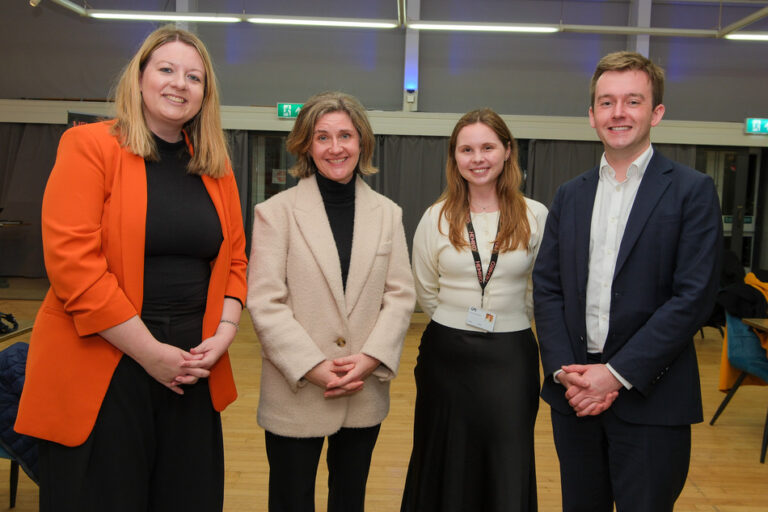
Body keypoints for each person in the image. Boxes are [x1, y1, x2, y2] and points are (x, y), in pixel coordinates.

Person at [15, 25, 247, 511]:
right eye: (166, 69)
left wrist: (224, 333)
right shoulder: (89, 147)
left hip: (190, 371)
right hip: (106, 365)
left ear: (206, 94)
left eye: (194, 77)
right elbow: (74, 267)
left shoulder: (215, 165)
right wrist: (149, 353)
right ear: (139, 78)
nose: (179, 84)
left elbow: (235, 261)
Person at [532, 51, 722, 512]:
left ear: (656, 113)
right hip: (575, 396)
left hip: (652, 397)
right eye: (607, 102)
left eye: (633, 101)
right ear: (591, 116)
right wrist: (564, 372)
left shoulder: (691, 191)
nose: (619, 113)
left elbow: (692, 298)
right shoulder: (570, 194)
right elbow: (549, 287)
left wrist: (614, 376)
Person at [247, 91, 415, 512]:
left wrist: (371, 358)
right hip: (296, 387)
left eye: (346, 135)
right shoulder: (275, 213)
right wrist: (312, 366)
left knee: (350, 500)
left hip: (362, 387)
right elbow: (266, 301)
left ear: (362, 143)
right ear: (306, 144)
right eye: (322, 137)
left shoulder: (388, 214)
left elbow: (400, 295)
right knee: (291, 499)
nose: (336, 148)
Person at [402, 108, 548, 512]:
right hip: (446, 354)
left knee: (507, 457)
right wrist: (457, 319)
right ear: (455, 158)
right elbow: (425, 289)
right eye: (466, 149)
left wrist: (506, 318)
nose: (478, 158)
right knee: (444, 454)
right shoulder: (436, 217)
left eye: (487, 147)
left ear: (507, 152)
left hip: (510, 356)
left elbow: (541, 290)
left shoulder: (536, 216)